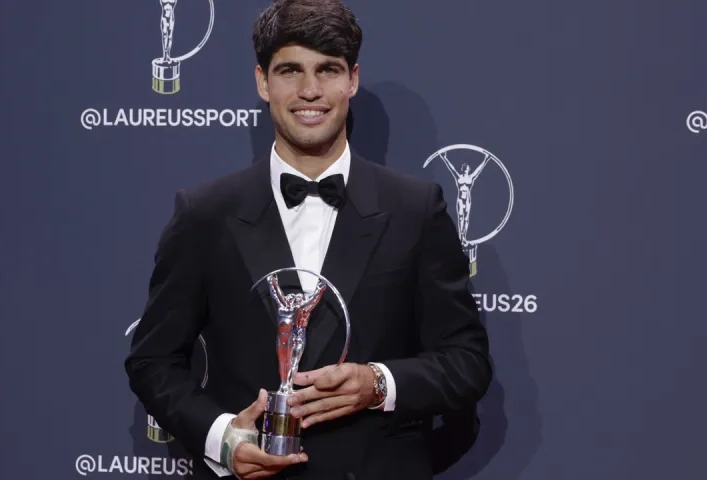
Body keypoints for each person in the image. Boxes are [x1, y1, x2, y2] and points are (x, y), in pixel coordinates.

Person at [124, 0, 492, 478]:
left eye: (328, 70)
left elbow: (466, 362)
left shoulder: (416, 209)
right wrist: (223, 438)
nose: (310, 90)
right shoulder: (205, 214)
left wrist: (377, 383)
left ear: (352, 80)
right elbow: (153, 360)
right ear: (263, 82)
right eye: (290, 70)